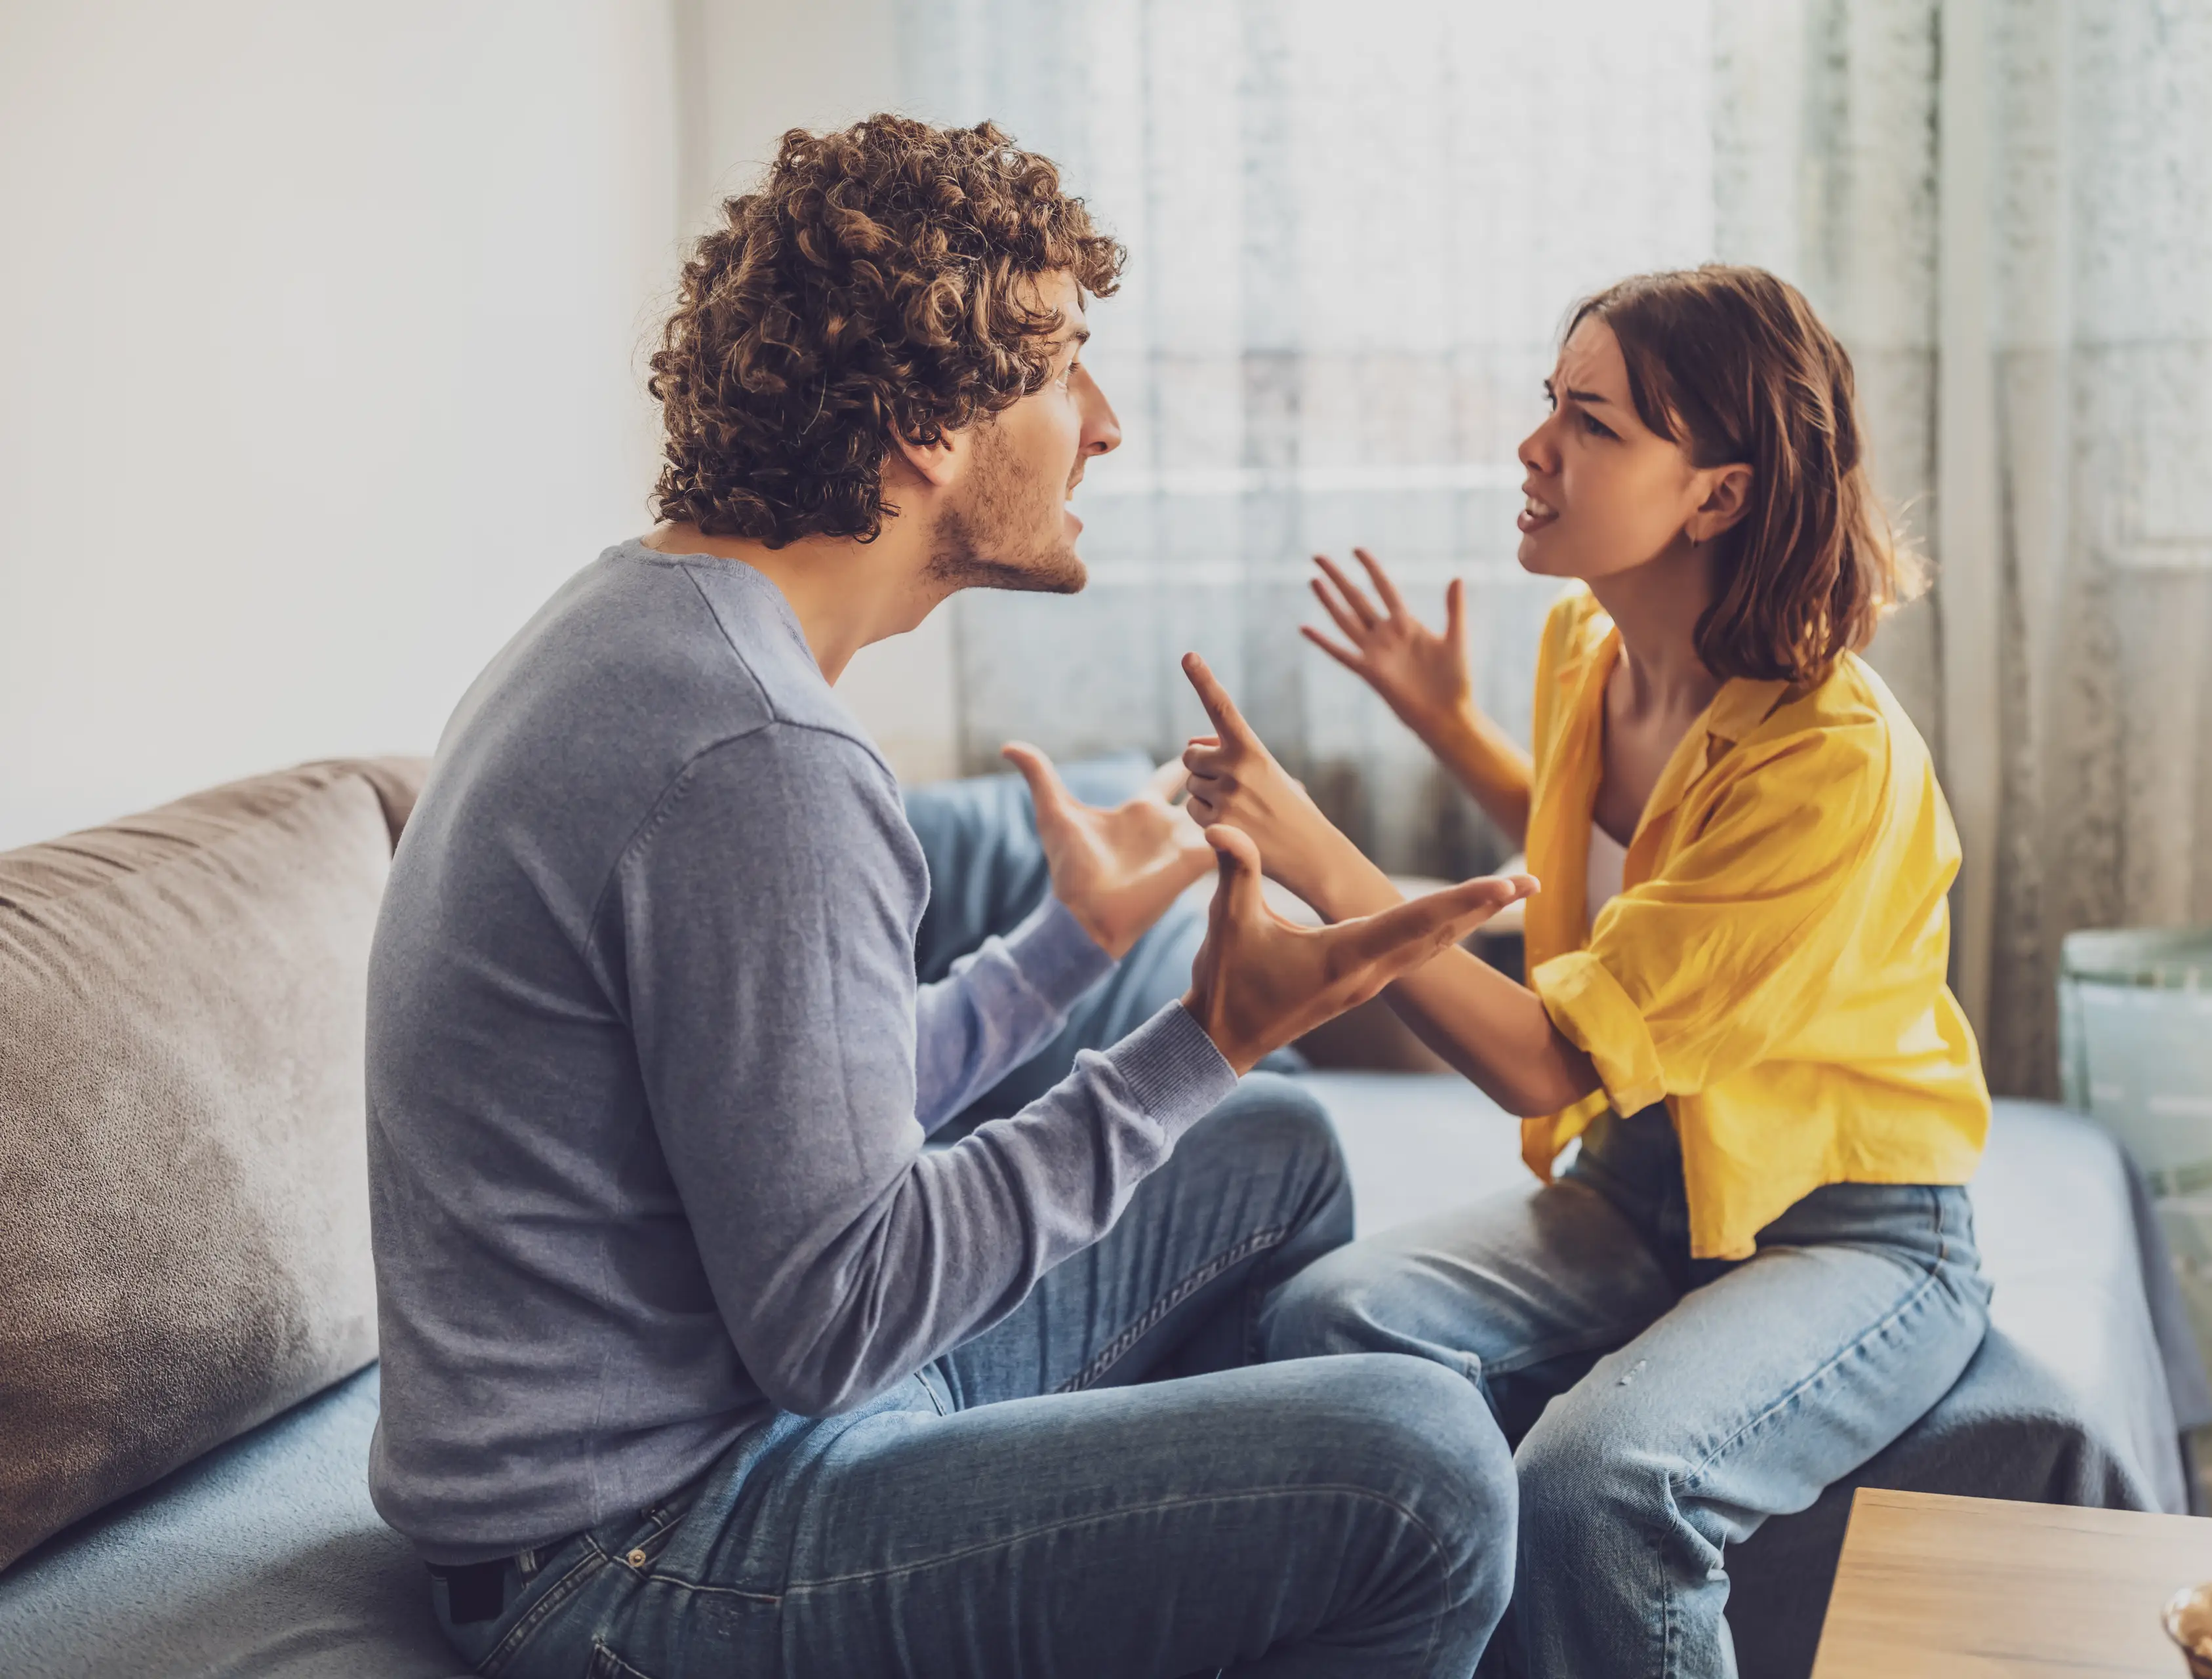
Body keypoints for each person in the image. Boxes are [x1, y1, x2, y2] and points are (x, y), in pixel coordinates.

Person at [365, 115, 1535, 1679]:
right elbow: (838, 1315)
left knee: (1273, 1152)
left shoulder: (647, 626)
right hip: (636, 1550)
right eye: (1064, 371)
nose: (1104, 424)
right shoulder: (757, 751)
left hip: (709, 1434)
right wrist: (1205, 1035)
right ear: (925, 422)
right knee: (1425, 1468)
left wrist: (1070, 951)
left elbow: (785, 1120)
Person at [1176, 265, 1996, 1677]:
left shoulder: (1831, 762)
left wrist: (1326, 857)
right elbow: (1623, 871)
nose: (1534, 447)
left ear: (1718, 493)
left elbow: (1552, 1054)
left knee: (1601, 1481)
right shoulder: (1589, 646)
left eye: (1594, 423)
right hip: (1637, 1182)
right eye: (1549, 404)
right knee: (1329, 1316)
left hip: (1849, 1228)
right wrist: (1450, 722)